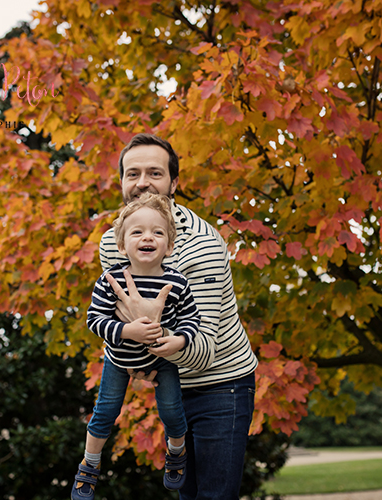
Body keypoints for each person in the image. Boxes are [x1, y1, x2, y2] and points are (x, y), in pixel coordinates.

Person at [99, 134, 258, 500]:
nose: (142, 182)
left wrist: (144, 336)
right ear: (121, 181)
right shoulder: (113, 242)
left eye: (154, 173)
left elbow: (201, 350)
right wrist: (138, 355)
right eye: (132, 173)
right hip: (168, 382)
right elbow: (118, 322)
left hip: (222, 383)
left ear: (174, 182)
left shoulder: (202, 243)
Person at [71, 193, 202, 500]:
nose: (148, 237)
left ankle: (176, 451)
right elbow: (94, 319)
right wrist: (127, 330)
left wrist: (180, 339)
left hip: (161, 360)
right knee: (105, 412)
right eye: (138, 232)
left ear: (169, 246)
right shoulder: (110, 280)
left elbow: (191, 319)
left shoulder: (177, 283)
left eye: (158, 232)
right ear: (122, 244)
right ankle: (89, 464)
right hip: (118, 359)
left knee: (171, 411)